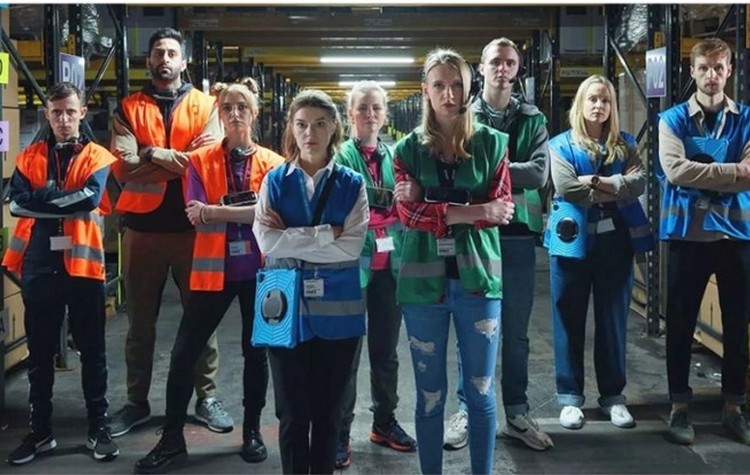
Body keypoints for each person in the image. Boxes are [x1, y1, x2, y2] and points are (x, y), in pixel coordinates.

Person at [134, 78, 284, 474]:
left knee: (257, 354)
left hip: (264, 274)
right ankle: (172, 439)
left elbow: (273, 216)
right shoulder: (199, 161)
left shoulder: (273, 163)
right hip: (213, 271)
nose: (234, 114)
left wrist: (216, 211)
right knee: (185, 353)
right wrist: (246, 212)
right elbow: (194, 214)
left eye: (242, 107)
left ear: (254, 113)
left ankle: (252, 430)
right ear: (219, 114)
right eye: (227, 107)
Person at [392, 48, 514, 475]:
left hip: (478, 283)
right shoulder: (406, 149)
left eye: (457, 85)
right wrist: (473, 208)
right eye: (440, 85)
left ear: (469, 88)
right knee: (429, 396)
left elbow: (501, 209)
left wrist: (431, 200)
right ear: (425, 90)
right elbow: (408, 216)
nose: (449, 94)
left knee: (480, 393)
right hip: (421, 289)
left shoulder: (493, 144)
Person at [109, 27, 231, 437]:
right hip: (142, 231)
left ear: (184, 60)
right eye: (158, 52)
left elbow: (207, 160)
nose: (165, 59)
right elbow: (123, 167)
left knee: (201, 320)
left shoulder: (206, 105)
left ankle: (206, 398)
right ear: (148, 60)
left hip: (194, 229)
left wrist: (153, 153)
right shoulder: (128, 108)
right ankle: (136, 402)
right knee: (139, 325)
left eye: (172, 52)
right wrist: (180, 163)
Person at [444, 37, 554, 452]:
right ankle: (467, 409)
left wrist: (490, 167)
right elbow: (461, 171)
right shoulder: (464, 117)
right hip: (475, 233)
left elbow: (539, 174)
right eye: (495, 62)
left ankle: (516, 413)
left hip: (518, 235)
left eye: (509, 62)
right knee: (472, 328)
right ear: (482, 67)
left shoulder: (533, 118)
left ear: (517, 69)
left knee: (516, 332)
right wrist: (505, 171)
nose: (502, 69)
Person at [253, 89, 369, 474]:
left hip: (339, 318)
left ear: (334, 127)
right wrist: (325, 234)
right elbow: (267, 243)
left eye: (319, 124)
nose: (310, 133)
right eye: (301, 124)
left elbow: (351, 248)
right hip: (282, 310)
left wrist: (291, 238)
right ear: (292, 128)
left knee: (328, 414)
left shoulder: (352, 183)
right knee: (291, 414)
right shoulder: (273, 181)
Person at [3, 82, 119, 465]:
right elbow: (16, 204)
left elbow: (89, 198)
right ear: (47, 115)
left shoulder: (98, 155)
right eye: (57, 113)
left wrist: (42, 197)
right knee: (39, 355)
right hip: (40, 266)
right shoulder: (29, 156)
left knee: (93, 352)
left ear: (82, 113)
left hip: (83, 267)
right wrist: (60, 200)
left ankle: (98, 428)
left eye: (70, 112)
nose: (64, 119)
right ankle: (40, 434)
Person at [658, 38, 750, 446]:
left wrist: (703, 172)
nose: (711, 75)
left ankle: (734, 406)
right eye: (703, 68)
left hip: (735, 236)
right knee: (679, 324)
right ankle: (679, 405)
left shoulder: (747, 119)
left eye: (718, 67)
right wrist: (732, 172)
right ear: (692, 71)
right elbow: (675, 171)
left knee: (738, 324)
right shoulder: (672, 120)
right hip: (687, 236)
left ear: (729, 70)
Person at [547, 74, 652, 431]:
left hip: (615, 242)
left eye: (605, 100)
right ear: (580, 103)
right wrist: (618, 186)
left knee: (612, 319)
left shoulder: (625, 144)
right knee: (568, 318)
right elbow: (566, 187)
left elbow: (640, 183)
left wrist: (594, 181)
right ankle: (570, 398)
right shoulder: (561, 145)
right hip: (570, 242)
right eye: (592, 99)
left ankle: (613, 397)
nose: (599, 106)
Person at [333, 81, 416, 469]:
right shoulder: (340, 156)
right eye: (363, 107)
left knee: (386, 352)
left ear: (385, 114)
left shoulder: (396, 155)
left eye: (376, 108)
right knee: (347, 354)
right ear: (350, 113)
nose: (370, 114)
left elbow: (407, 203)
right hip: (353, 268)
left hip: (390, 268)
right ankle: (339, 432)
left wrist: (384, 209)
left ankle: (384, 422)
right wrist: (386, 210)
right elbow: (349, 206)